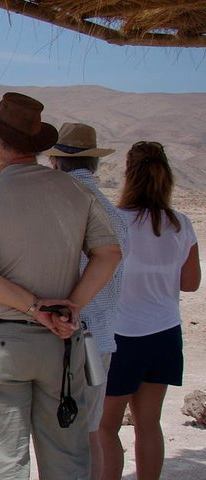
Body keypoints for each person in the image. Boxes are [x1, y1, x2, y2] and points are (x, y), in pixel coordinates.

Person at [0, 92, 122, 480]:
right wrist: (72, 306)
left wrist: (35, 309)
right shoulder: (75, 192)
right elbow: (110, 254)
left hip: (2, 344)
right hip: (62, 346)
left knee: (4, 464)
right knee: (67, 459)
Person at [99, 141, 201, 480]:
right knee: (149, 425)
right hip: (166, 333)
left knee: (107, 428)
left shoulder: (115, 221)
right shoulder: (181, 224)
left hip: (123, 336)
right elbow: (190, 283)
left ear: (128, 174)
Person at [44, 122, 128, 480]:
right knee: (90, 430)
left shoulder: (61, 207)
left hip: (66, 335)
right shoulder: (116, 215)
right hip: (104, 336)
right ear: (94, 164)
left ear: (56, 162)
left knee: (60, 435)